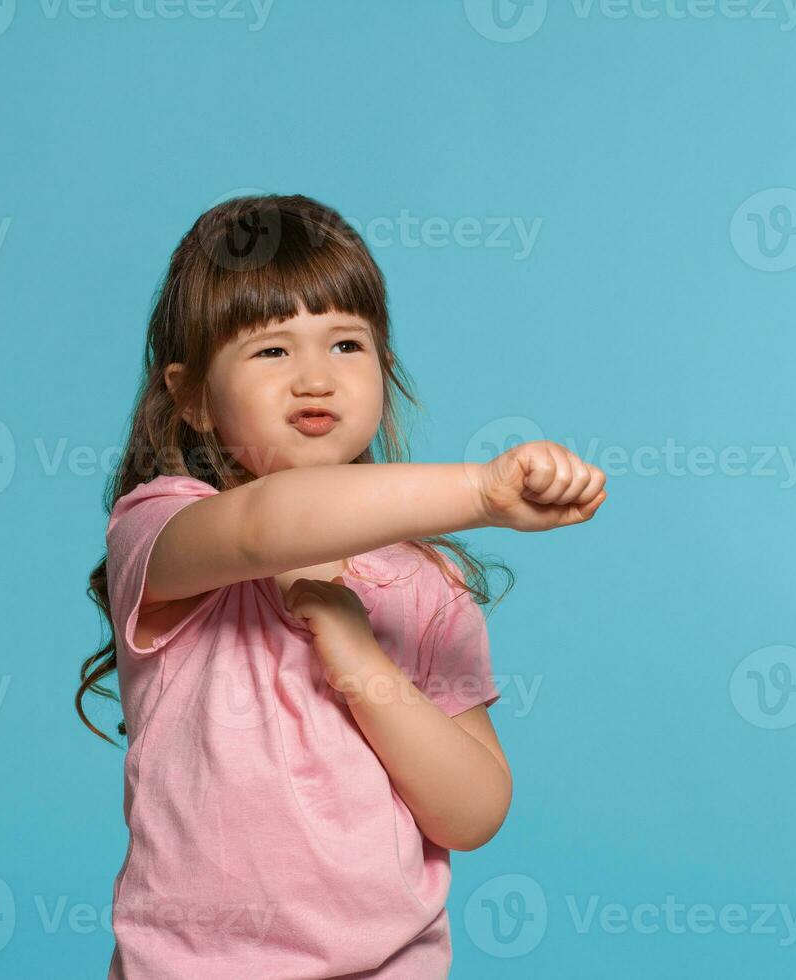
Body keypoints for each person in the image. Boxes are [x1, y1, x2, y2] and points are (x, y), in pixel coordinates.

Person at [76, 193, 607, 977]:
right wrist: (484, 493)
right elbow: (270, 524)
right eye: (271, 351)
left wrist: (361, 661)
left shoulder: (423, 578)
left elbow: (472, 811)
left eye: (347, 345)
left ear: (384, 369)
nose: (315, 379)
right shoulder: (160, 530)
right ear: (189, 397)